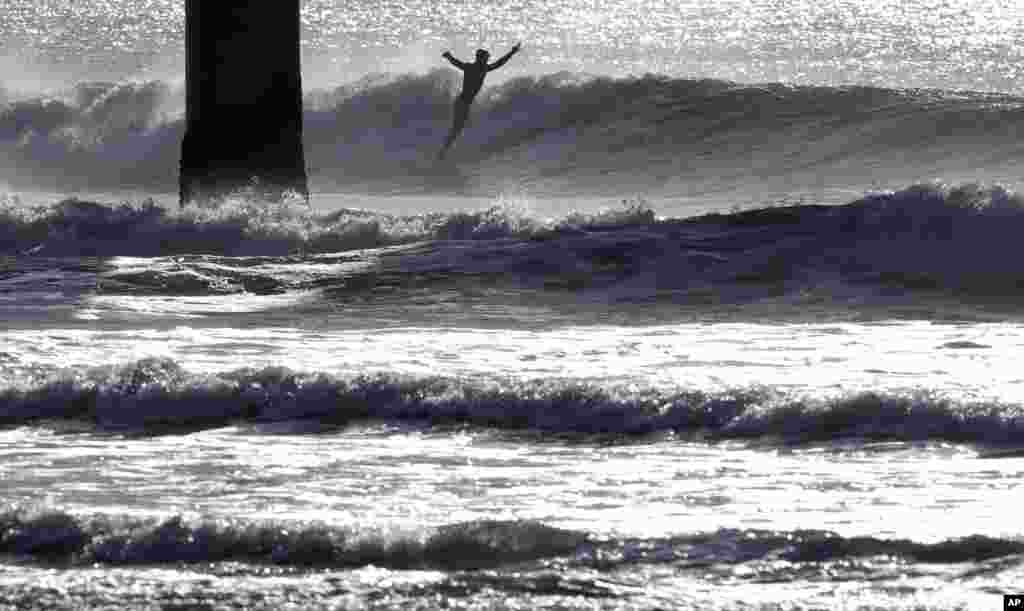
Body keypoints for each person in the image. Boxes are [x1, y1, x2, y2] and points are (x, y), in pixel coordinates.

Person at [438, 43, 521, 159]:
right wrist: (512, 52)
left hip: (463, 102)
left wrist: (449, 56)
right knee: (457, 128)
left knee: (460, 127)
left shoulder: (473, 67)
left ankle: (447, 150)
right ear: (481, 58)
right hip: (462, 103)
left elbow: (456, 62)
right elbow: (499, 63)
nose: (488, 60)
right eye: (487, 58)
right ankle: (443, 152)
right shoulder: (480, 68)